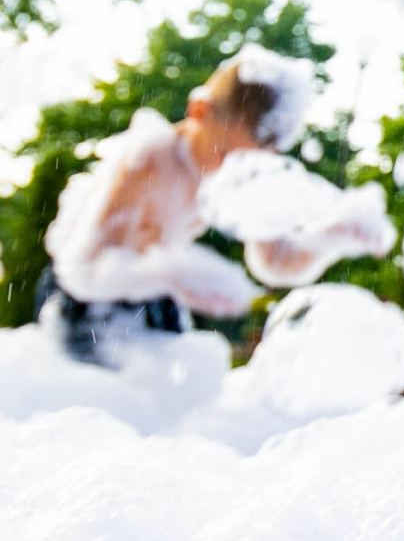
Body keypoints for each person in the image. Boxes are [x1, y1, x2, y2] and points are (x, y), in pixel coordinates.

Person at [39, 50, 376, 364]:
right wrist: (174, 273)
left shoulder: (244, 175)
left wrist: (334, 238)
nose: (229, 173)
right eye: (225, 156)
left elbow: (273, 262)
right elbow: (82, 268)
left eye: (247, 163)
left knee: (182, 376)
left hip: (149, 286)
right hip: (80, 288)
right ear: (199, 111)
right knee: (93, 378)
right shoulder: (151, 157)